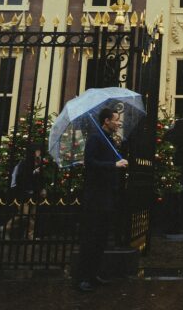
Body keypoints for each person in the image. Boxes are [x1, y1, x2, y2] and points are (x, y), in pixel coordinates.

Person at [76, 107, 128, 293]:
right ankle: (82, 277)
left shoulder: (109, 139)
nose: (119, 122)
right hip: (95, 197)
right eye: (116, 119)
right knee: (91, 238)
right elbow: (90, 163)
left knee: (101, 239)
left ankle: (93, 274)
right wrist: (114, 164)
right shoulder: (95, 138)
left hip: (107, 195)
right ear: (106, 121)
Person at [3, 143, 47, 240]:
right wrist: (33, 173)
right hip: (24, 193)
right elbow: (21, 178)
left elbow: (41, 179)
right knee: (23, 215)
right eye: (37, 151)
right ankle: (7, 228)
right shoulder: (24, 163)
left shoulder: (39, 164)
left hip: (34, 193)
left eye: (39, 151)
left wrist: (42, 188)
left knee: (32, 216)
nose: (39, 153)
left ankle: (30, 235)